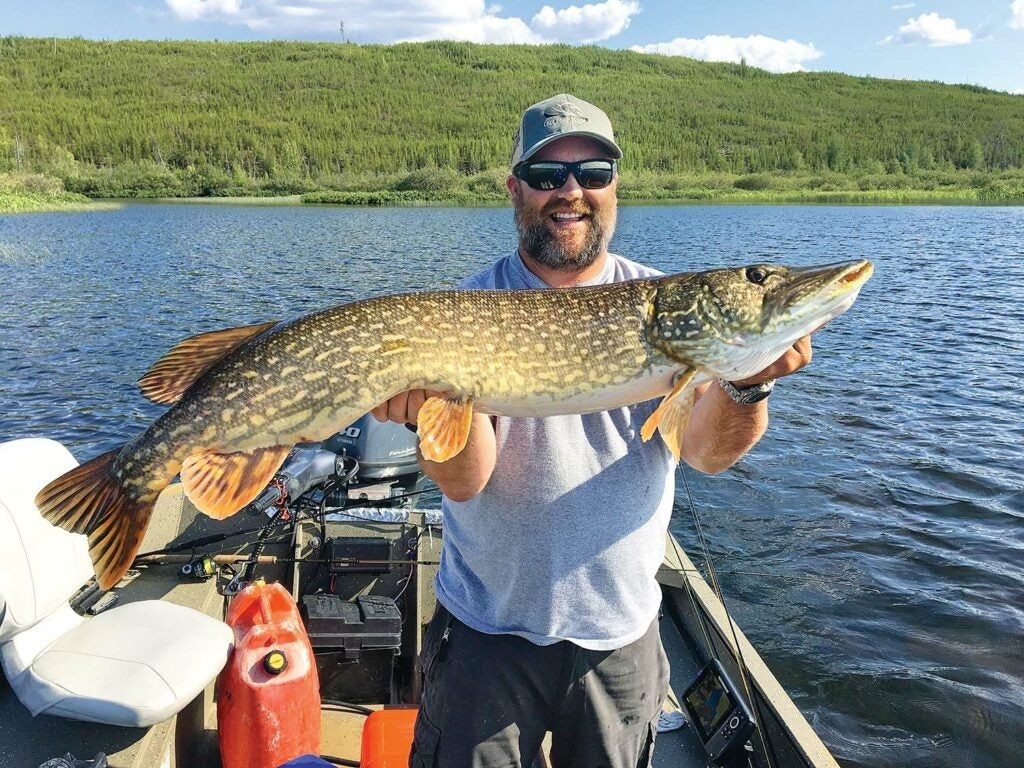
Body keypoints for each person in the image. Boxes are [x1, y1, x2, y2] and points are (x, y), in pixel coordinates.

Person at [372, 94, 814, 768]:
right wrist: (426, 409)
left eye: (593, 172)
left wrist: (747, 381)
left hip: (620, 637)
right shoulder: (467, 308)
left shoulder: (664, 304)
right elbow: (467, 481)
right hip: (486, 633)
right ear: (515, 189)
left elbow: (705, 452)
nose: (570, 192)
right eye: (548, 176)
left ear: (615, 186)